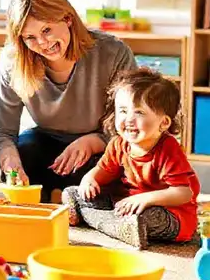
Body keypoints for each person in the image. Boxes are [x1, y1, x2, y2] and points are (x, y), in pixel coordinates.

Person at [0, 0, 137, 202]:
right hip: (46, 143)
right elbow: (1, 129)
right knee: (25, 152)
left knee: (112, 180)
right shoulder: (13, 61)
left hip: (102, 147)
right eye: (30, 37)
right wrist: (10, 162)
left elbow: (133, 123)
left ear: (67, 18)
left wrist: (93, 141)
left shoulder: (113, 53)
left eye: (46, 30)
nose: (42, 43)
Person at [62, 68, 200, 249]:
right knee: (75, 193)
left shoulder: (168, 149)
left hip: (168, 211)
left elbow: (183, 193)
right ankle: (113, 224)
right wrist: (89, 180)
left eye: (139, 112)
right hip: (124, 204)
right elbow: (103, 171)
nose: (128, 119)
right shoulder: (118, 144)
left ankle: (102, 221)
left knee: (146, 218)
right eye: (123, 111)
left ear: (164, 123)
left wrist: (144, 199)